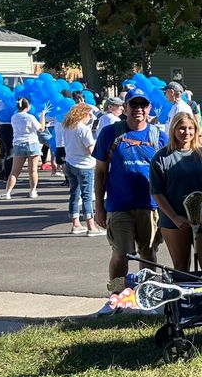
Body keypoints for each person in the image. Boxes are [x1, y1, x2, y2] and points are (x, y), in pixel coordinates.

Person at [92, 88, 168, 291]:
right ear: (125, 107)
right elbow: (100, 171)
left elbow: (167, 172)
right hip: (119, 205)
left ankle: (146, 294)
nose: (138, 109)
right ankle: (117, 294)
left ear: (149, 108)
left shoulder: (158, 136)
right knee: (120, 254)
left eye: (143, 105)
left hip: (150, 205)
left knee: (149, 253)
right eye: (133, 105)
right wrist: (99, 205)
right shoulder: (110, 133)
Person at [150, 112, 202, 271]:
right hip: (174, 221)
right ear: (173, 129)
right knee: (181, 266)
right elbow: (157, 192)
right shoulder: (161, 157)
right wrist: (175, 217)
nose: (187, 132)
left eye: (191, 128)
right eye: (182, 128)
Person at [60, 103, 101, 234]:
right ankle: (91, 226)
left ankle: (76, 223)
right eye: (89, 114)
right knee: (87, 196)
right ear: (84, 114)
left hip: (70, 163)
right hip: (85, 165)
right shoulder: (84, 129)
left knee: (74, 194)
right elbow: (91, 150)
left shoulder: (67, 127)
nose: (90, 117)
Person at [1, 98, 47, 200]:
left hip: (18, 144)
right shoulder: (30, 117)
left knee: (15, 171)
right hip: (32, 143)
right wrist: (42, 115)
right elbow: (41, 128)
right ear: (28, 107)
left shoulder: (14, 117)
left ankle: (8, 192)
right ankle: (33, 191)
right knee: (33, 170)